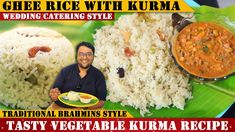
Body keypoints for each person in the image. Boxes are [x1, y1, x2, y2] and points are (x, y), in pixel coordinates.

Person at [49, 41, 107, 110]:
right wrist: (54, 95)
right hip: (62, 110)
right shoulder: (65, 71)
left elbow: (102, 101)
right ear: (77, 56)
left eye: (89, 54)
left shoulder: (98, 75)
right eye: (81, 54)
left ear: (93, 57)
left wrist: (82, 110)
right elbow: (55, 92)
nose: (85, 57)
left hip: (88, 112)